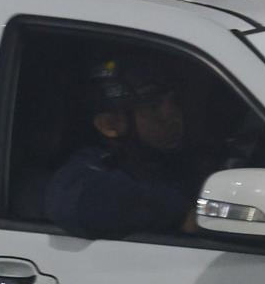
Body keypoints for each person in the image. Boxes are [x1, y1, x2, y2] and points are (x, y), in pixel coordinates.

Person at [44, 56, 207, 240]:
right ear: (110, 124)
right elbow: (73, 202)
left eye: (173, 100)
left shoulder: (187, 157)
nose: (171, 113)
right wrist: (178, 213)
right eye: (153, 107)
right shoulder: (90, 170)